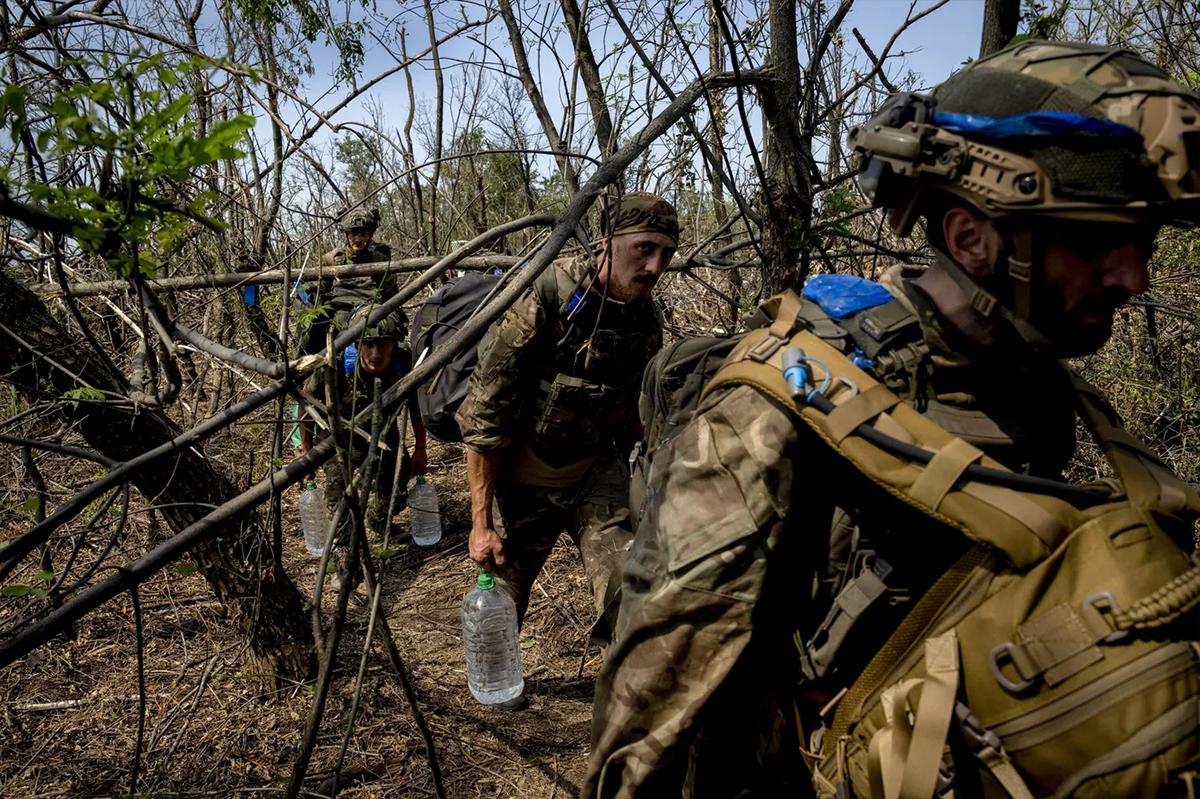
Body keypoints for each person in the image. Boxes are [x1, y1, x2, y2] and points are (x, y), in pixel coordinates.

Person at [586, 41, 1200, 797]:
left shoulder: (1034, 384)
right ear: (970, 238)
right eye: (1097, 239)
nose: (1134, 277)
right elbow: (649, 725)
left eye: (1144, 242)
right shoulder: (775, 411)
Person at [455, 191, 677, 636]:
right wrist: (481, 524)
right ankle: (497, 681)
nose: (655, 267)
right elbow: (484, 415)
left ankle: (627, 694)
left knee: (627, 585)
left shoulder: (646, 320)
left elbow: (640, 413)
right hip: (523, 481)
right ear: (608, 242)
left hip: (594, 475)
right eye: (644, 249)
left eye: (666, 254)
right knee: (501, 601)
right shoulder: (547, 296)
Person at [299, 306, 427, 583]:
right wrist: (306, 450)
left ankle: (379, 522)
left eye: (383, 345)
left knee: (395, 485)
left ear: (394, 344)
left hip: (384, 434)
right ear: (356, 344)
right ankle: (347, 567)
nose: (375, 354)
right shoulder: (332, 364)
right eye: (367, 345)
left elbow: (414, 401)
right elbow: (306, 403)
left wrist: (420, 446)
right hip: (338, 443)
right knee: (341, 506)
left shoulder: (402, 360)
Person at [298, 207, 397, 356]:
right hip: (340, 312)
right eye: (354, 234)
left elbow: (392, 296)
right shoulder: (331, 259)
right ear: (346, 235)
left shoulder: (380, 260)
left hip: (372, 310)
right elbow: (319, 291)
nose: (358, 239)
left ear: (371, 235)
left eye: (363, 234)